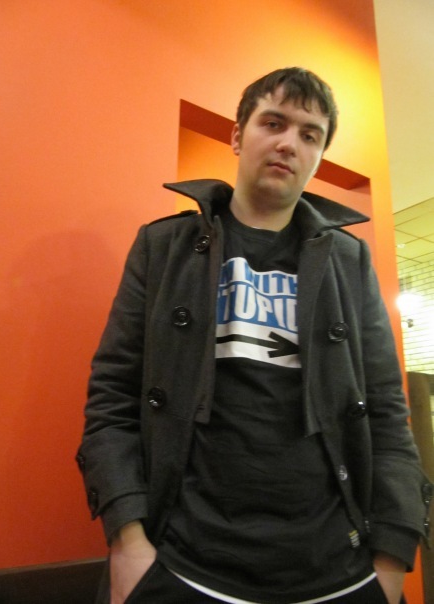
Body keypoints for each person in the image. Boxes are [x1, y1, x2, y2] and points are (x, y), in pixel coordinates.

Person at [76, 68, 432, 604]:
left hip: (337, 569)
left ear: (318, 157)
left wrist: (393, 557)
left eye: (309, 134)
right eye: (274, 123)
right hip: (181, 563)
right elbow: (112, 395)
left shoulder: (350, 261)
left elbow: (384, 409)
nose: (289, 143)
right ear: (238, 136)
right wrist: (128, 540)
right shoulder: (163, 247)